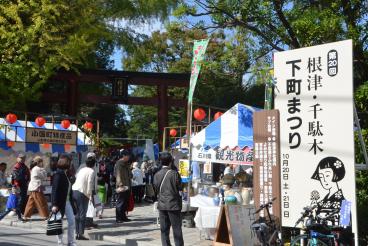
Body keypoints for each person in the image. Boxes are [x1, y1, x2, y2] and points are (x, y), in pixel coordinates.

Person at [153, 152, 184, 246]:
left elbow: (155, 189)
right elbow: (180, 187)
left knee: (164, 229)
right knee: (177, 229)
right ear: (171, 161)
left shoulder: (157, 174)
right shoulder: (174, 174)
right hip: (173, 204)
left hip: (162, 204)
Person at [311, 156, 346, 226]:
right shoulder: (320, 203)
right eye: (320, 176)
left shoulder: (345, 204)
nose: (323, 180)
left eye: (327, 175)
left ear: (335, 174)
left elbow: (345, 227)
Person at [51, 154, 77, 246]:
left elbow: (69, 190)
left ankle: (71, 241)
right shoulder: (58, 175)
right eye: (70, 162)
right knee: (59, 222)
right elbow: (55, 190)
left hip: (68, 202)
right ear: (66, 163)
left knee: (72, 221)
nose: (71, 164)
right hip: (59, 203)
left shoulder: (67, 174)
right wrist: (54, 204)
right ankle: (60, 242)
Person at [72, 153, 96, 240]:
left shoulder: (82, 169)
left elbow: (76, 177)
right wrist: (90, 195)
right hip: (82, 192)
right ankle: (80, 234)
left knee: (77, 213)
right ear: (93, 164)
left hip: (74, 190)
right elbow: (90, 183)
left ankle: (77, 232)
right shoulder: (92, 171)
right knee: (82, 213)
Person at [23, 156, 48, 220]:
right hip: (36, 187)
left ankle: (26, 215)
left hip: (34, 187)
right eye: (41, 162)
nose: (42, 163)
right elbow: (44, 176)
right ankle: (45, 215)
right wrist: (44, 170)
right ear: (39, 162)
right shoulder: (37, 168)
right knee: (41, 201)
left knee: (30, 203)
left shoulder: (35, 168)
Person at [115, 149, 132, 223]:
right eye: (127, 155)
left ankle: (123, 217)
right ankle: (118, 218)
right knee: (120, 202)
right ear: (123, 156)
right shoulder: (119, 164)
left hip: (127, 185)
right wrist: (120, 184)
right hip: (122, 186)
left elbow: (130, 174)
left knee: (125, 202)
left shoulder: (126, 164)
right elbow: (117, 175)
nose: (128, 157)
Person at [11, 153, 30, 219]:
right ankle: (19, 213)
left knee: (23, 199)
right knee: (20, 199)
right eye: (21, 158)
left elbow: (28, 174)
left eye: (23, 158)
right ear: (18, 158)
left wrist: (27, 180)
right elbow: (15, 177)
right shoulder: (16, 166)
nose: (22, 159)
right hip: (18, 185)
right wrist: (17, 185)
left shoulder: (24, 166)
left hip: (24, 185)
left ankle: (22, 213)